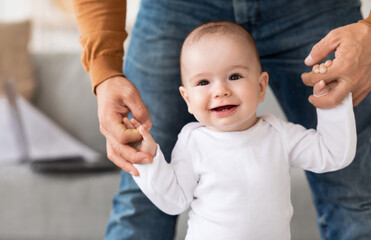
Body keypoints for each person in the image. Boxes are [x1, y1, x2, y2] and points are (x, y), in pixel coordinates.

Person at [73, 0, 371, 239]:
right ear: (186, 97)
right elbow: (173, 200)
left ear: (259, 86)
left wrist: (333, 103)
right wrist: (147, 158)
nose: (220, 91)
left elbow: (333, 154)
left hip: (313, 7)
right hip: (175, 6)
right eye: (203, 83)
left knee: (356, 197)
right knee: (136, 207)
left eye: (235, 76)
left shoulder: (279, 135)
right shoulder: (191, 142)